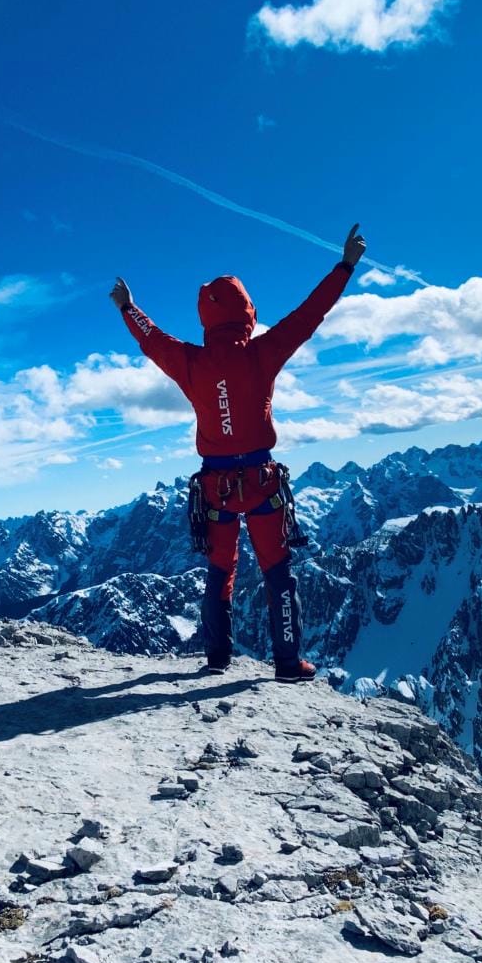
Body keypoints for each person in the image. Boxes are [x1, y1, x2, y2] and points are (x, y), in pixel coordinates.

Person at [110, 224, 367, 681]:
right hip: (262, 483)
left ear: (206, 320)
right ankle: (287, 664)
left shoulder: (190, 362)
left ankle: (217, 658)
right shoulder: (263, 354)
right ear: (247, 313)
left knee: (219, 571)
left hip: (216, 488)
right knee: (277, 573)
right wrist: (344, 266)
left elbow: (152, 339)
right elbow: (309, 315)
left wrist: (130, 309)